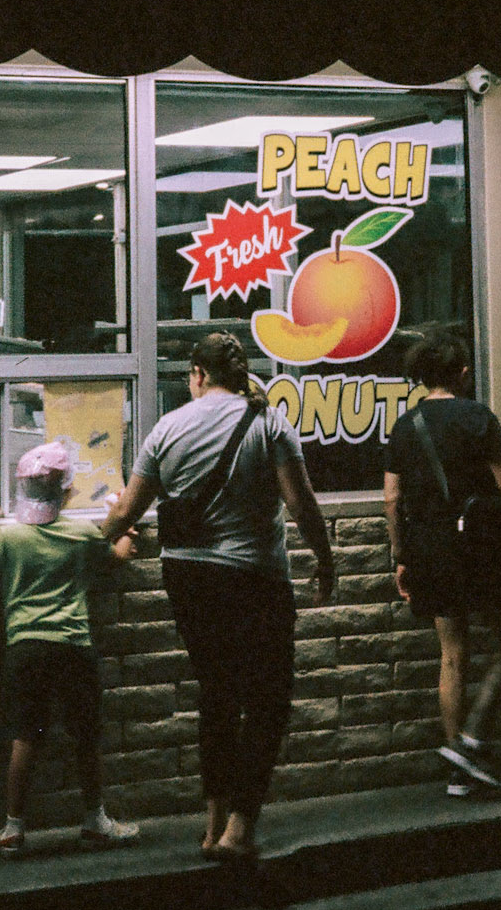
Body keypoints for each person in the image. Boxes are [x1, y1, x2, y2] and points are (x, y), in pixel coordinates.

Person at [105, 331, 335, 861]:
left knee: (217, 694)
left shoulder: (167, 427)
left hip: (187, 578)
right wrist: (324, 559)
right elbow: (300, 504)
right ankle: (238, 828)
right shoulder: (270, 424)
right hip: (254, 579)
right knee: (267, 701)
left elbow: (127, 511)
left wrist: (96, 542)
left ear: (198, 374)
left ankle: (212, 826)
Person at [384, 329, 501, 797]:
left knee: (452, 655)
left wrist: (401, 556)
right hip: (479, 548)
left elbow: (392, 498)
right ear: (461, 373)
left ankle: (459, 769)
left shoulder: (405, 425)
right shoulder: (478, 417)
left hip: (428, 549)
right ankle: (472, 739)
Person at [0, 440, 142, 857]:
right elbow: (117, 557)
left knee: (26, 737)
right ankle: (95, 822)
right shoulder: (81, 534)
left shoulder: (10, 537)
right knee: (86, 736)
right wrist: (125, 529)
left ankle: (13, 829)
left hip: (26, 648)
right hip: (73, 647)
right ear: (66, 493)